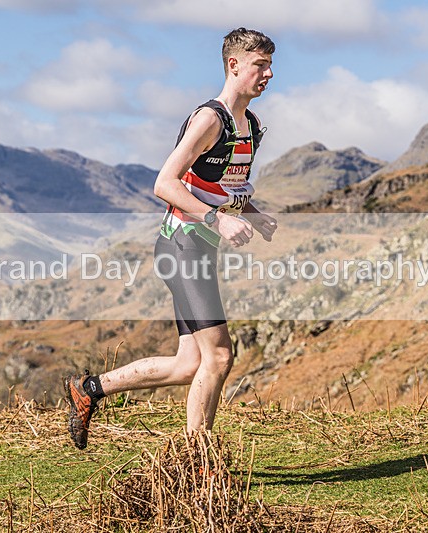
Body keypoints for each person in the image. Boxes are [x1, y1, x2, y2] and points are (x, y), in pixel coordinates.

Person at [65, 27, 277, 450]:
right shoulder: (209, 119)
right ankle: (197, 462)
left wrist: (253, 213)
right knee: (218, 356)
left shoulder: (250, 125)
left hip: (196, 249)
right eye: (260, 65)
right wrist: (218, 221)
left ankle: (88, 389)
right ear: (234, 65)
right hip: (181, 247)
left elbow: (216, 186)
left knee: (188, 364)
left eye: (270, 65)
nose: (269, 73)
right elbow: (165, 183)